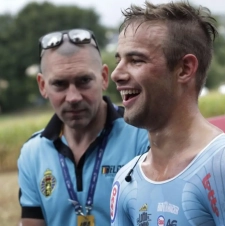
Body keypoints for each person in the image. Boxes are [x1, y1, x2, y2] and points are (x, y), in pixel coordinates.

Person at [110, 1, 225, 226]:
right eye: (118, 60)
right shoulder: (126, 180)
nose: (116, 74)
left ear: (185, 69)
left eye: (136, 60)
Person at [17, 28, 149, 226]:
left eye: (84, 81)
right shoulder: (33, 153)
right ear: (42, 86)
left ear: (104, 77)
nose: (73, 97)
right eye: (59, 84)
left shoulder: (142, 136)